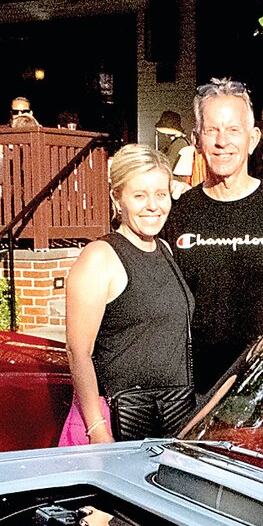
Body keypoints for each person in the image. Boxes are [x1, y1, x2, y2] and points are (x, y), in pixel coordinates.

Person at [164, 77, 263, 394]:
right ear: (197, 140)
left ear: (252, 139)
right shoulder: (180, 211)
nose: (222, 141)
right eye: (212, 130)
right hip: (199, 389)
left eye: (233, 130)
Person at [64, 144, 194, 443]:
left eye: (161, 194)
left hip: (168, 417)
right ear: (117, 199)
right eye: (139, 195)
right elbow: (78, 352)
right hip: (116, 422)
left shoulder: (165, 249)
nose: (153, 205)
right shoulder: (100, 256)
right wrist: (97, 430)